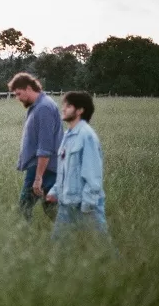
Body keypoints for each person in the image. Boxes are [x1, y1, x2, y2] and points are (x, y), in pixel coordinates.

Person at [46, 91, 111, 242]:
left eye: (68, 106)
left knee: (101, 247)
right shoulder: (68, 135)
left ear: (80, 110)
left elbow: (93, 174)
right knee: (57, 247)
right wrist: (55, 191)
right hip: (66, 204)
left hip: (85, 205)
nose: (63, 109)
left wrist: (88, 206)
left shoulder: (87, 136)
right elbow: (65, 170)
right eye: (63, 105)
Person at [8, 72, 64, 223]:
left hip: (42, 168)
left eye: (18, 94)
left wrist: (38, 178)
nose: (17, 98)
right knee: (51, 207)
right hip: (46, 167)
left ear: (28, 88)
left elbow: (45, 146)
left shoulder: (44, 108)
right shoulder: (39, 106)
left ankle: (23, 239)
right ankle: (72, 236)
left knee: (24, 208)